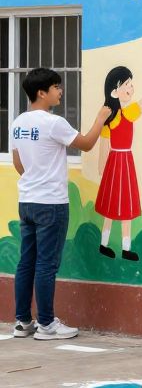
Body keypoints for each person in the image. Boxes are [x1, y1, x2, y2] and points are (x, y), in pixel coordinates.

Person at [10, 68, 109, 340]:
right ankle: (46, 325)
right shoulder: (54, 123)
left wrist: (35, 177)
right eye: (56, 87)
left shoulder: (18, 122)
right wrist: (101, 117)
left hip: (27, 200)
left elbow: (19, 163)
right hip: (51, 203)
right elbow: (87, 144)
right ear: (42, 93)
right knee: (46, 264)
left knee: (26, 262)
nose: (61, 91)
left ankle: (22, 322)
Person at [96, 65, 142, 261]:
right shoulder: (112, 118)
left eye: (130, 84)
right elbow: (103, 145)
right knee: (111, 208)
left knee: (124, 205)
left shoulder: (129, 112)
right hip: (116, 163)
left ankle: (125, 247)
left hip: (124, 162)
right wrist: (102, 168)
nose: (130, 88)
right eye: (126, 84)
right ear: (114, 91)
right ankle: (104, 244)